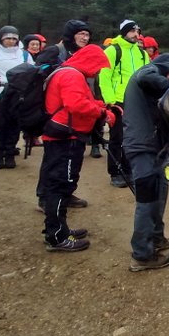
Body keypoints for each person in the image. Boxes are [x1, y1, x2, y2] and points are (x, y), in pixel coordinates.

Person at [39, 44, 113, 252]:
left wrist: (99, 106)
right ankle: (56, 236)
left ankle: (60, 229)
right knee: (61, 185)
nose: (98, 71)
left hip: (65, 136)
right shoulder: (72, 76)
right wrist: (102, 114)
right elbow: (76, 105)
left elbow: (83, 100)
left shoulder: (69, 72)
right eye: (98, 66)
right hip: (66, 138)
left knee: (62, 184)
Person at [123, 53, 169, 271]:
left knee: (160, 193)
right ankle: (142, 255)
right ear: (165, 67)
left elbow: (164, 119)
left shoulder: (155, 90)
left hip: (155, 149)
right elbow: (147, 78)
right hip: (142, 148)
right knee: (147, 201)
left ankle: (156, 238)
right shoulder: (148, 71)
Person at [99, 20, 150, 188]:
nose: (136, 34)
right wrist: (110, 101)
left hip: (137, 101)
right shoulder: (113, 50)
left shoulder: (142, 53)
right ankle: (115, 172)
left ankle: (128, 170)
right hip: (118, 101)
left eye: (138, 31)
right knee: (117, 138)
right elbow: (104, 76)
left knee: (133, 138)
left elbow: (148, 76)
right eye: (133, 31)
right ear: (124, 32)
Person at [0, 25, 33, 169]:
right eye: (8, 38)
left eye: (14, 38)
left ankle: (10, 153)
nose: (11, 41)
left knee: (14, 124)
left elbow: (31, 70)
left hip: (17, 93)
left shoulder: (24, 54)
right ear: (1, 39)